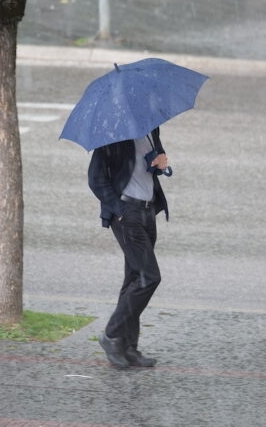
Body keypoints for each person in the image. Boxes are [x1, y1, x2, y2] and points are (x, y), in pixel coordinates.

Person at [87, 127, 170, 368]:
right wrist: (119, 211)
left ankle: (128, 346)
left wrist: (162, 164)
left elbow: (153, 163)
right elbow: (96, 179)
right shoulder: (112, 135)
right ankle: (112, 335)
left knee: (135, 278)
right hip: (127, 213)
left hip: (147, 210)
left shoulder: (150, 129)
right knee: (149, 277)